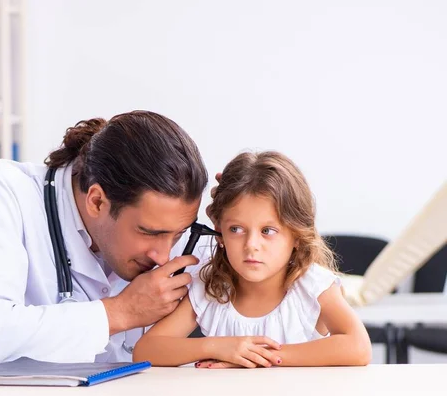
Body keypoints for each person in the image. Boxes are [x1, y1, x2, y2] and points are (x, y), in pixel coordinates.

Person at [0, 110, 211, 368]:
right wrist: (120, 313)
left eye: (178, 234)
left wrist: (239, 218)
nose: (163, 256)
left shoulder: (178, 233)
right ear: (97, 201)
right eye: (149, 233)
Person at [133, 151, 372, 368]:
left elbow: (358, 348)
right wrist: (220, 347)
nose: (251, 246)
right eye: (236, 229)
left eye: (268, 231)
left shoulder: (312, 286)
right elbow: (146, 351)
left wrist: (257, 357)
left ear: (297, 235)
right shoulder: (211, 286)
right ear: (220, 232)